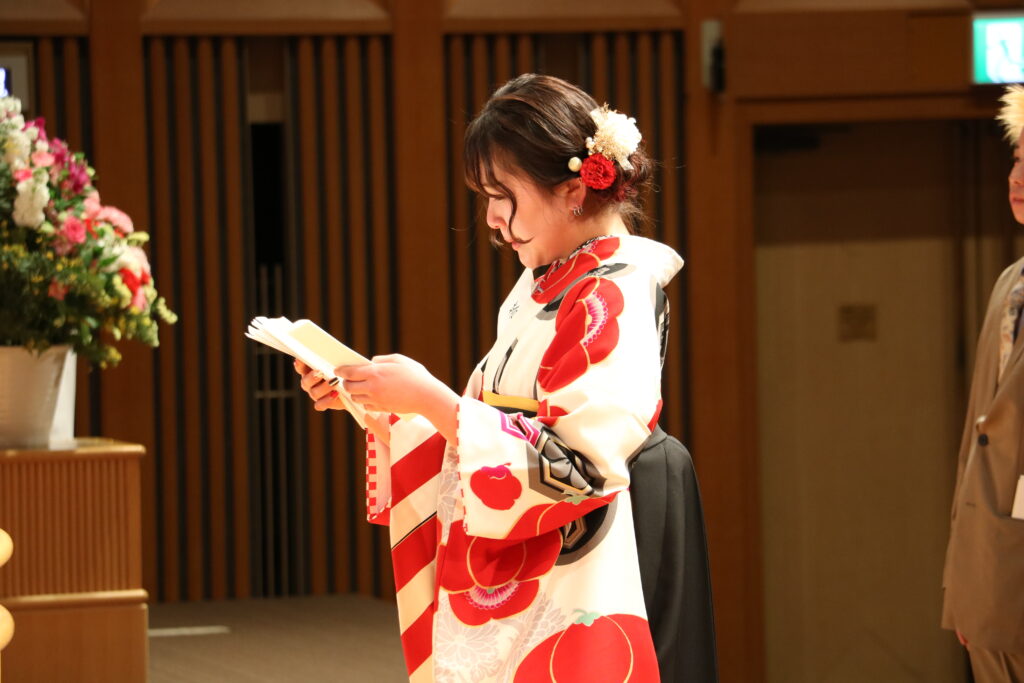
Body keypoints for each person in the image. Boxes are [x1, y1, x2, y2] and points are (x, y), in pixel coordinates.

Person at [295, 73, 709, 682]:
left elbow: (578, 466)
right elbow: (490, 424)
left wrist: (431, 399)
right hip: (568, 518)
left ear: (574, 191)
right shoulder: (551, 278)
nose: (491, 217)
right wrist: (375, 399)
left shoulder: (612, 288)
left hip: (613, 520)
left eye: (502, 194)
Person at [942, 84, 1024, 682]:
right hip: (991, 562)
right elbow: (979, 440)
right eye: (1018, 159)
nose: (1017, 177)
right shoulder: (1008, 282)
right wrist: (966, 577)